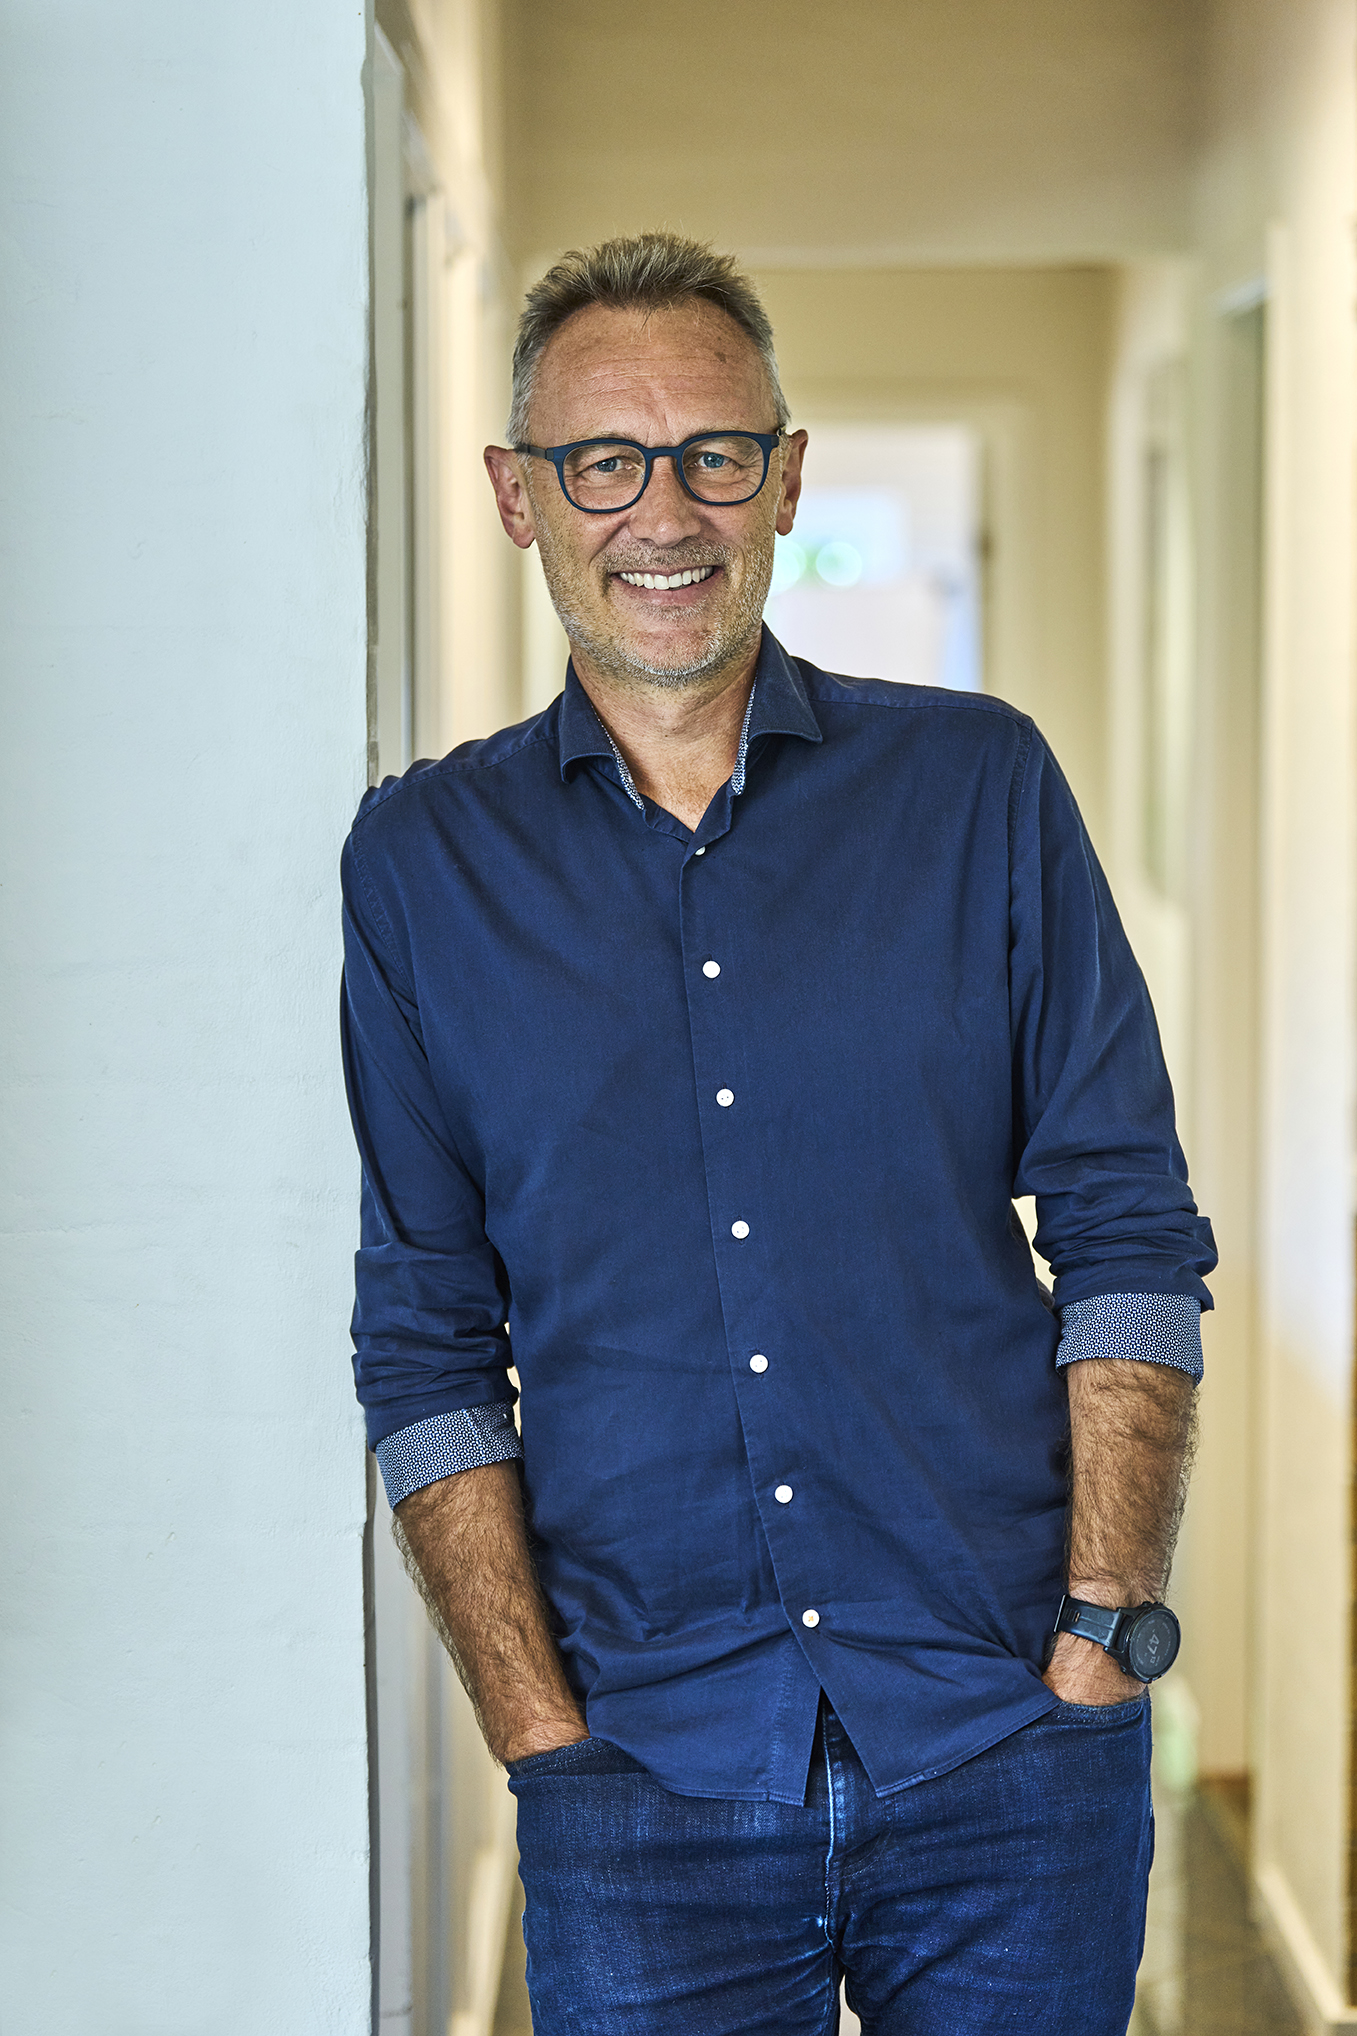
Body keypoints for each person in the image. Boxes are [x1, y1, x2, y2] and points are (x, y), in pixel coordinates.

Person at [341, 231, 1216, 2035]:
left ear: (787, 476)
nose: (662, 514)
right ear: (517, 494)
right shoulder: (423, 864)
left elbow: (1125, 1228)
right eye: (603, 461)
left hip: (1006, 1736)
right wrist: (534, 1732)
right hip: (637, 1776)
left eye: (713, 454)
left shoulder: (979, 787)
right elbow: (422, 1332)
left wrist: (1102, 1633)